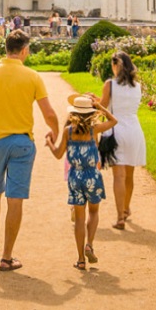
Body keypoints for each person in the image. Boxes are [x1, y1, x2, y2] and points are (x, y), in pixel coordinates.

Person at [0, 29, 60, 272]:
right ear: (25, 50)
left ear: (6, 49)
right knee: (15, 198)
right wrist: (55, 131)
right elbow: (49, 113)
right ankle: (7, 257)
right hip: (22, 143)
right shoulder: (32, 76)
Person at [45, 93, 116, 270]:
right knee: (93, 212)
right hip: (92, 175)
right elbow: (113, 121)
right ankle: (89, 244)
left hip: (75, 177)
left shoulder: (68, 132)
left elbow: (58, 154)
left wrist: (49, 142)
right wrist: (100, 108)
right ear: (90, 113)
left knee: (78, 219)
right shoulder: (94, 130)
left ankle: (80, 260)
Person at [100, 49, 147, 230]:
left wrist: (91, 100)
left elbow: (104, 107)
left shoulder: (110, 84)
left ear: (115, 65)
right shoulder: (137, 86)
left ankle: (120, 216)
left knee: (118, 176)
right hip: (134, 131)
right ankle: (126, 209)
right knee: (129, 176)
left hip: (116, 130)